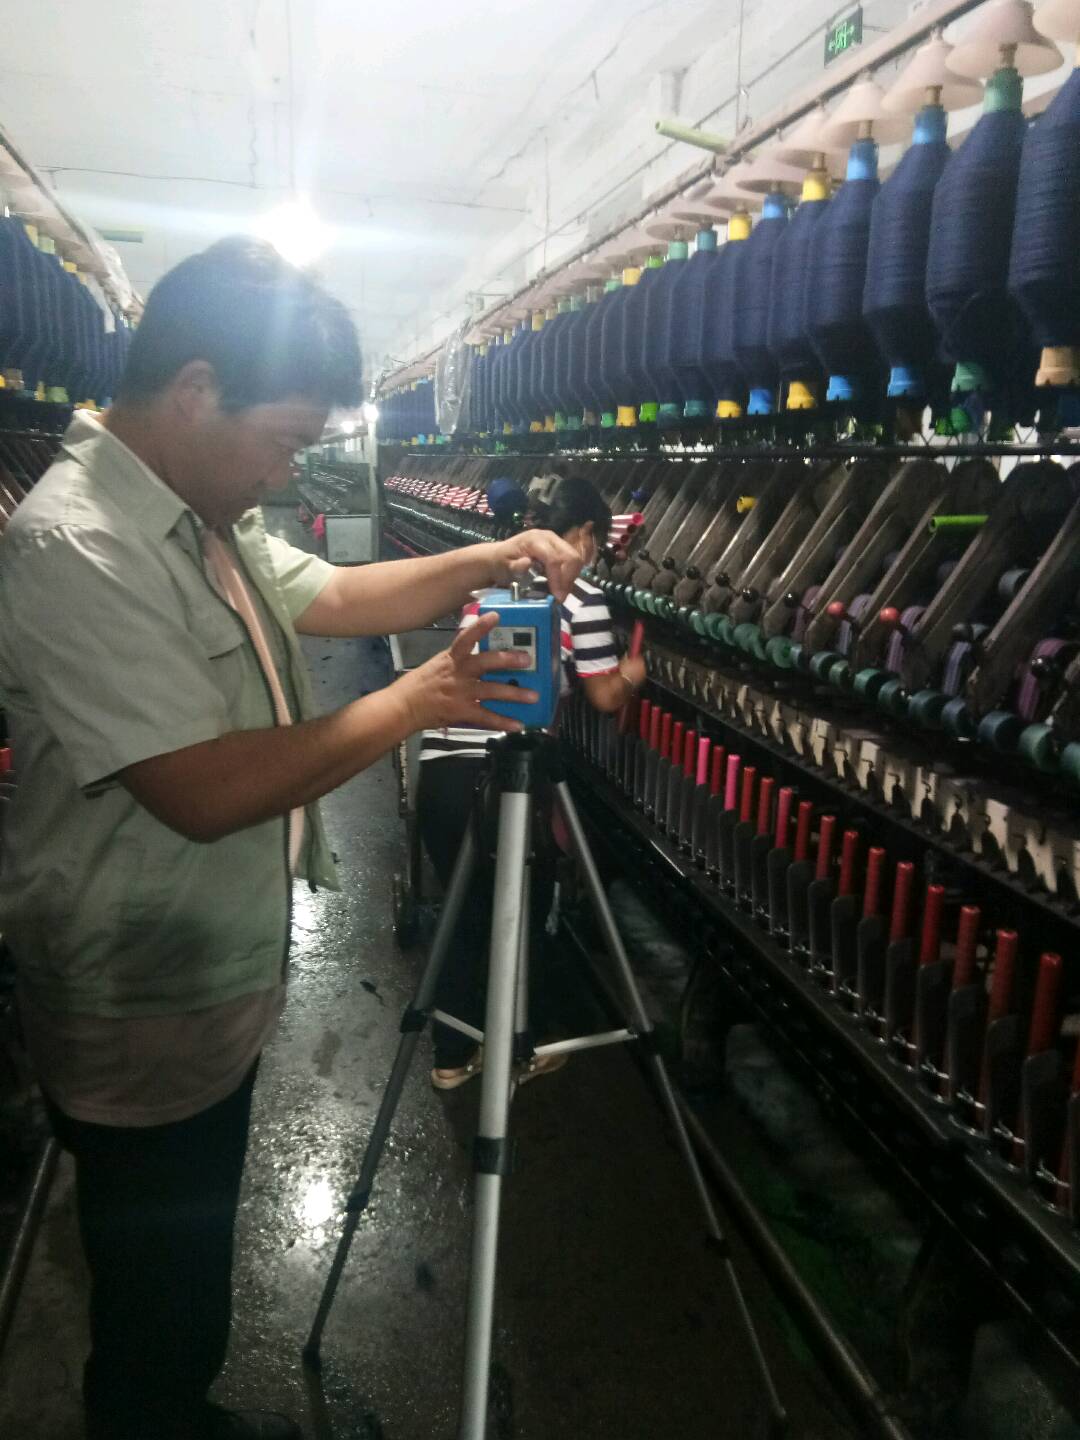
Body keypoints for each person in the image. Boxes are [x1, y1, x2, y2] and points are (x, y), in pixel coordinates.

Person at [0, 237, 582, 1440]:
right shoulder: (79, 545)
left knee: (187, 1249)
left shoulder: (198, 511)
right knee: (154, 1277)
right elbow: (202, 789)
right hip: (138, 987)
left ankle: (180, 1407)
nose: (283, 472)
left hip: (208, 964)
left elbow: (331, 594)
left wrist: (487, 556)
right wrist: (417, 701)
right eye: (280, 439)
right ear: (195, 389)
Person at [416, 474, 647, 1091]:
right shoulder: (583, 599)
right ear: (586, 533)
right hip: (506, 775)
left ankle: (451, 1054)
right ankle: (524, 1043)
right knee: (520, 910)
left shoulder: (489, 587)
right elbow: (604, 696)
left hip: (440, 764)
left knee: (463, 908)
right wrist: (635, 670)